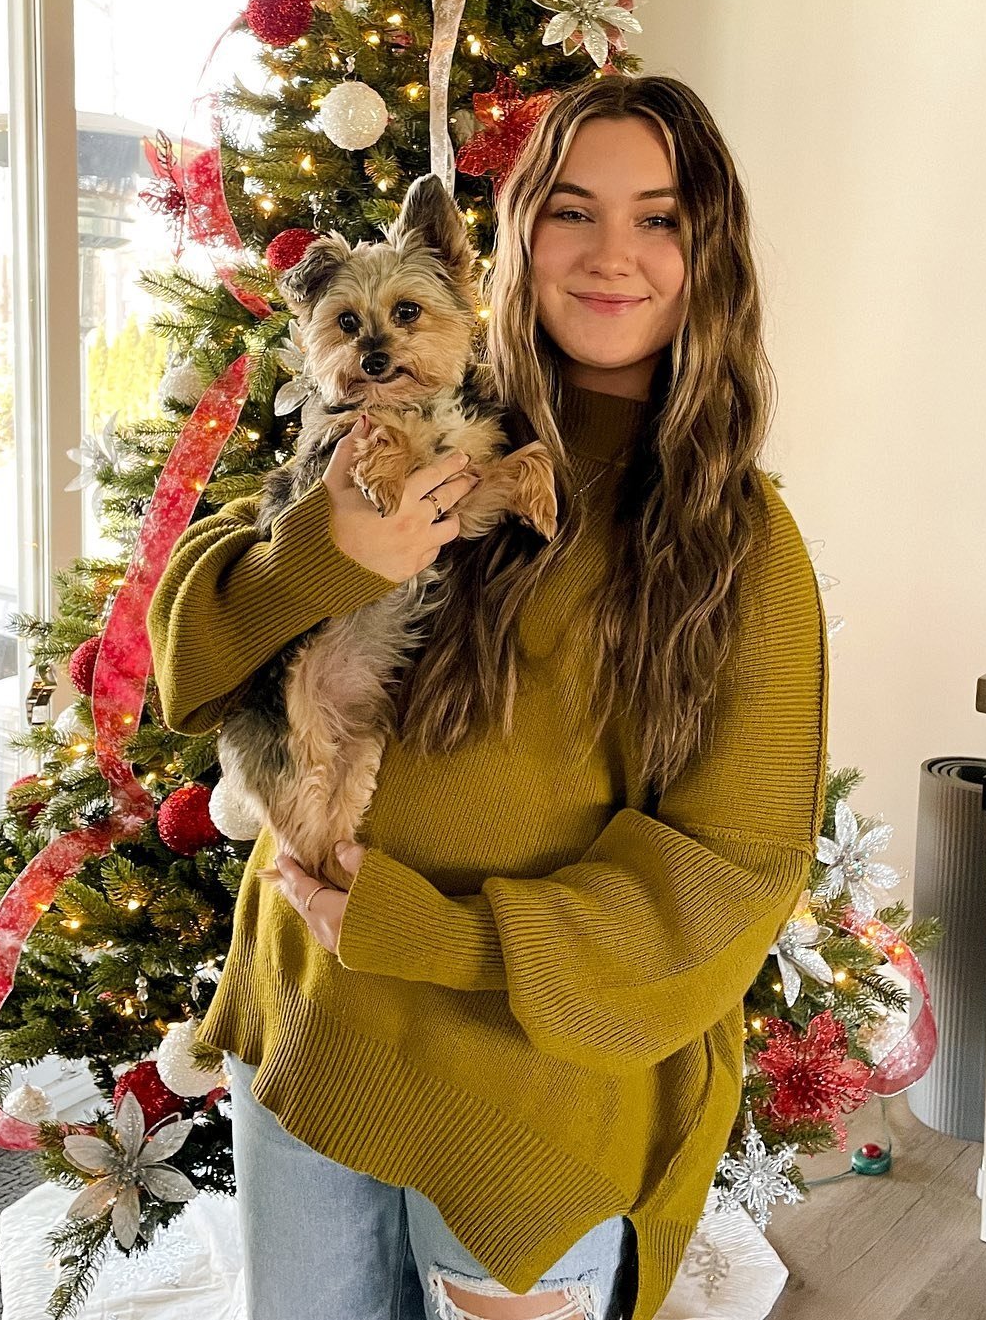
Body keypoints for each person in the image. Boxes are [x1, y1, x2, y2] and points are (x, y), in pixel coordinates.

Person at [145, 73, 830, 1320]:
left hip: (525, 1104)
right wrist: (324, 554)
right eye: (573, 211)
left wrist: (443, 936)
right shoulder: (405, 420)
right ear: (518, 238)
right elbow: (185, 658)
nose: (612, 252)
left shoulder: (740, 541)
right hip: (312, 1026)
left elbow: (733, 872)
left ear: (709, 253)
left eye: (659, 217)